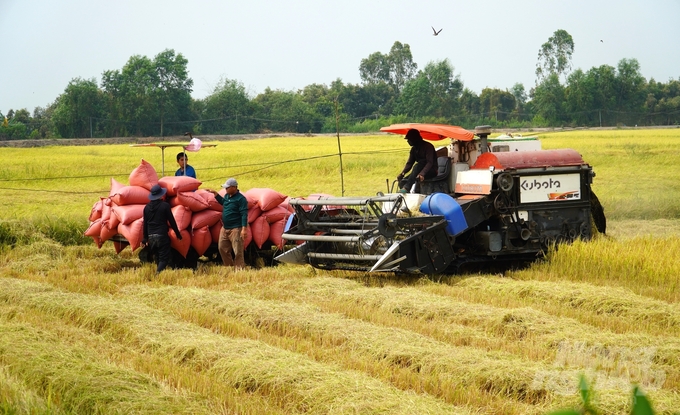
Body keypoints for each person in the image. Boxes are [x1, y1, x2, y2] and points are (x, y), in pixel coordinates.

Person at [207, 178, 248, 270]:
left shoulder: (241, 199)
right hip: (225, 228)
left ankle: (239, 270)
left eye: (227, 188)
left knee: (238, 251)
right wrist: (216, 194)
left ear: (234, 187)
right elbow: (223, 202)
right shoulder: (227, 196)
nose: (225, 189)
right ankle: (229, 267)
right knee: (222, 248)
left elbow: (244, 214)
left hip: (236, 229)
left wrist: (244, 229)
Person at [142, 184, 182, 274]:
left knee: (157, 256)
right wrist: (178, 234)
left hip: (151, 236)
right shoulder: (165, 206)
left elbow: (145, 224)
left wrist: (145, 238)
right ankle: (157, 274)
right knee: (164, 258)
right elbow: (172, 221)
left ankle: (158, 273)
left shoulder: (146, 208)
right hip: (162, 235)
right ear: (161, 195)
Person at [396, 129, 438, 193]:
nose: (408, 141)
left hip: (431, 170)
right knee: (402, 182)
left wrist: (422, 174)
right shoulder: (413, 149)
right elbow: (409, 163)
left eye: (409, 139)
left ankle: (407, 188)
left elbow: (430, 162)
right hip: (418, 171)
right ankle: (406, 196)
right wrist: (403, 173)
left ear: (414, 139)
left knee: (419, 165)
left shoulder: (428, 146)